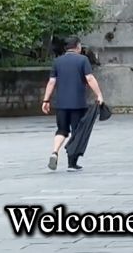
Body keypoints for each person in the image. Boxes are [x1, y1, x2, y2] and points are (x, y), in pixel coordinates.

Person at [41, 36, 105, 172]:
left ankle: (54, 152)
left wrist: (46, 100)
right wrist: (99, 94)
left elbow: (51, 82)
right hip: (77, 104)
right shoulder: (83, 60)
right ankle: (71, 164)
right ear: (77, 46)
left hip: (61, 104)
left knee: (62, 130)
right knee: (77, 132)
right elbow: (90, 78)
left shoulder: (57, 61)